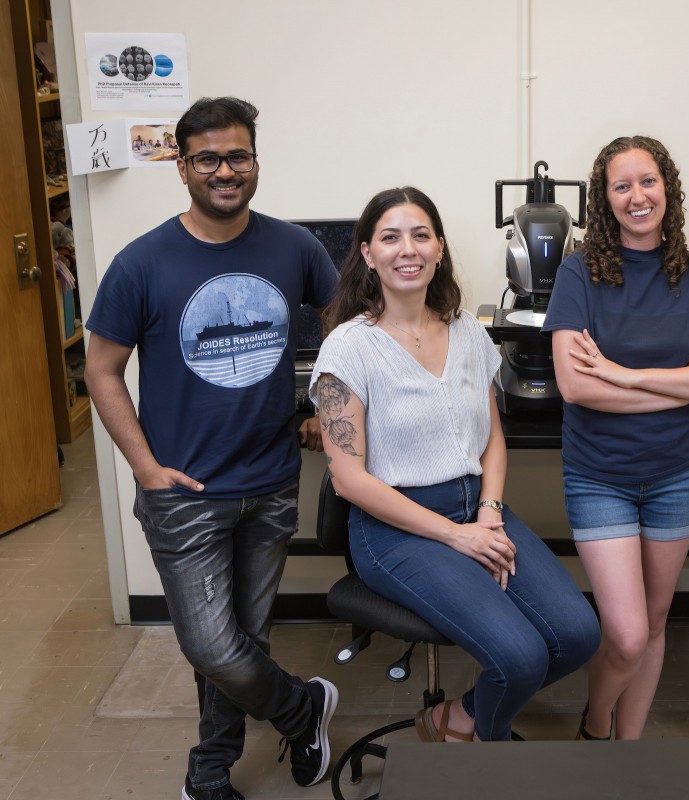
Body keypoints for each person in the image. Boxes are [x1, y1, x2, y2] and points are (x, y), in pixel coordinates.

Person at [85, 97, 340, 800]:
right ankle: (303, 708)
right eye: (207, 159)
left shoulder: (296, 247)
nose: (225, 171)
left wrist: (323, 407)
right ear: (182, 167)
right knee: (212, 646)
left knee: (243, 643)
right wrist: (145, 469)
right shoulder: (141, 262)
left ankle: (209, 772)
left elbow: (347, 327)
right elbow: (100, 370)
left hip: (271, 481)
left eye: (237, 156)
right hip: (184, 490)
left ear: (255, 160)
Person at [312, 186, 599, 743]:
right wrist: (455, 536)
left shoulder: (467, 328)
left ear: (439, 247)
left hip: (478, 510)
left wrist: (488, 512)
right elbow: (348, 479)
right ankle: (484, 754)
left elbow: (492, 437)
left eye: (421, 235)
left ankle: (458, 718)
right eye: (390, 237)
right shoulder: (347, 349)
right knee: (519, 658)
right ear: (368, 253)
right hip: (395, 530)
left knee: (577, 635)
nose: (408, 249)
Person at [543, 136, 689, 740]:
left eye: (648, 181)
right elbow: (576, 387)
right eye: (622, 185)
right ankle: (596, 724)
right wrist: (684, 386)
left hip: (678, 475)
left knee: (655, 624)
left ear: (668, 188)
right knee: (627, 634)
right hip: (599, 475)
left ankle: (629, 748)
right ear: (604, 199)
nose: (638, 196)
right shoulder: (579, 272)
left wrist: (626, 375)